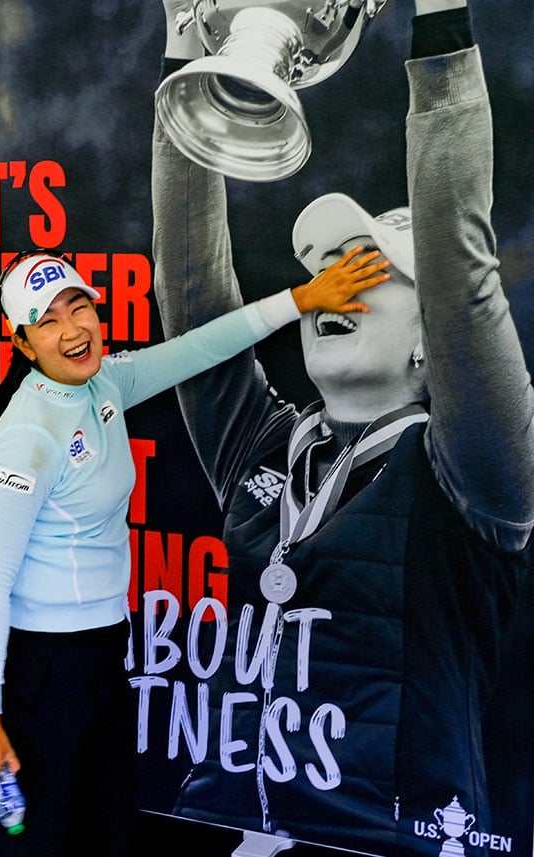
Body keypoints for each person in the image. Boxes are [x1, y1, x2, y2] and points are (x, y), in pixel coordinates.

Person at [151, 1, 534, 855]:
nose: (335, 283)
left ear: (432, 334)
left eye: (369, 270)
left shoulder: (475, 476)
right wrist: (187, 43)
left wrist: (439, 23)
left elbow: (462, 274)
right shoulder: (261, 448)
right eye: (325, 267)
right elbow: (193, 299)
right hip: (216, 830)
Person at [0, 246, 388, 857]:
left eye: (77, 307)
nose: (72, 329)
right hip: (44, 669)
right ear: (25, 346)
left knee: (106, 824)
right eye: (47, 320)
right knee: (37, 837)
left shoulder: (103, 381)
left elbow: (199, 348)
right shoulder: (24, 441)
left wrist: (301, 300)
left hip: (103, 652)